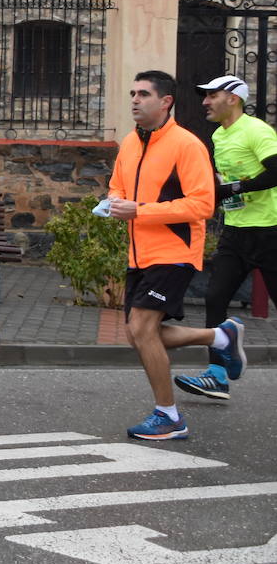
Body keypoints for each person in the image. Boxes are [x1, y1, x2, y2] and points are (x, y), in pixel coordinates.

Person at [108, 70, 242, 441]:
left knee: (140, 328)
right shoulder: (129, 144)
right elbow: (118, 187)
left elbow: (203, 204)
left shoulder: (187, 145)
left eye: (144, 94)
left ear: (166, 101)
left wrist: (141, 211)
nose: (135, 100)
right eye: (132, 93)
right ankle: (220, 338)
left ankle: (169, 416)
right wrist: (115, 202)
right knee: (140, 335)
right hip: (139, 253)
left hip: (175, 250)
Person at [173, 76, 274, 402]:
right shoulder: (219, 135)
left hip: (270, 231)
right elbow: (225, 182)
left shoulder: (257, 131)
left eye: (211, 95)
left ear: (232, 99)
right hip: (237, 230)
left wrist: (233, 188)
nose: (204, 102)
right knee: (216, 297)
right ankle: (217, 377)